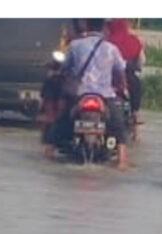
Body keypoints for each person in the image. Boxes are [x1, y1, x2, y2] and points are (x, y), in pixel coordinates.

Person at [54, 18, 130, 170]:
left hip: (79, 93)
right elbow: (120, 72)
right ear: (103, 29)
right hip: (105, 94)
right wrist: (123, 87)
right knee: (118, 125)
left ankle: (49, 149)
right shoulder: (111, 48)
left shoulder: (75, 45)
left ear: (86, 26)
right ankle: (122, 160)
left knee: (61, 118)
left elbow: (65, 67)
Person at [105, 19, 145, 124]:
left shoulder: (105, 42)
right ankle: (136, 114)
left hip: (106, 78)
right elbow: (141, 63)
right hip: (128, 77)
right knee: (137, 85)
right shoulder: (134, 41)